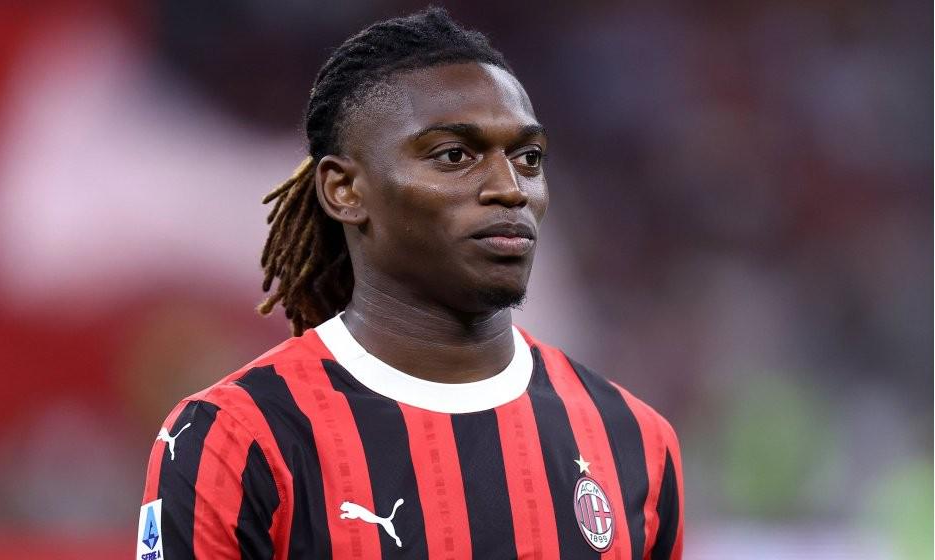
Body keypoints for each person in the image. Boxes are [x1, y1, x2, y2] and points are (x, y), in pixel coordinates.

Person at [139, 7, 683, 560]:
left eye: (528, 157)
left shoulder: (635, 440)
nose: (510, 187)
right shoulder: (234, 436)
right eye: (454, 155)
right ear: (345, 190)